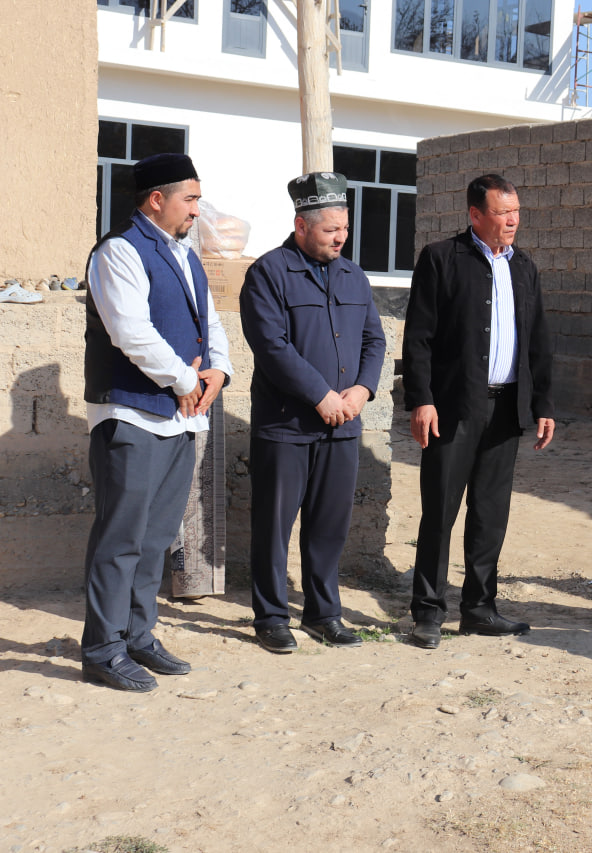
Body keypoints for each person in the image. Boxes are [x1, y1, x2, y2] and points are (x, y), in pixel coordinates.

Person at [82, 152, 233, 691]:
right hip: (130, 415)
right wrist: (185, 379)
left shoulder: (185, 255)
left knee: (156, 538)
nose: (196, 210)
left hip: (179, 419)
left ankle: (137, 636)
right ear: (155, 200)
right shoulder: (119, 250)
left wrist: (219, 372)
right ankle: (102, 649)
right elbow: (131, 331)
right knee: (120, 538)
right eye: (190, 199)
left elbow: (210, 323)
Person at [401, 174, 554, 650]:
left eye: (516, 212)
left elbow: (538, 341)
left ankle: (479, 608)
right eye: (502, 213)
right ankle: (428, 612)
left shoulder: (524, 267)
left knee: (490, 513)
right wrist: (421, 399)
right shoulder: (441, 259)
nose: (512, 221)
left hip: (506, 408)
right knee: (440, 512)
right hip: (452, 408)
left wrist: (543, 403)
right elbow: (419, 337)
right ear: (475, 214)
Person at [239, 172, 386, 653]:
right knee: (274, 528)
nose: (340, 238)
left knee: (328, 527)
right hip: (287, 425)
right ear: (301, 226)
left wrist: (362, 390)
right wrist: (321, 395)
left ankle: (324, 615)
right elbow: (271, 346)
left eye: (345, 229)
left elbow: (373, 339)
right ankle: (271, 618)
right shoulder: (269, 273)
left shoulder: (353, 275)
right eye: (330, 230)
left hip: (342, 427)